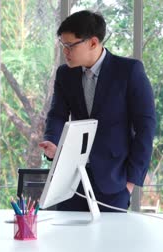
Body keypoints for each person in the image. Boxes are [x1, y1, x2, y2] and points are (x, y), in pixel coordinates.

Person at [39, 10, 156, 211]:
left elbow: (146, 126)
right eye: (62, 45)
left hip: (114, 183)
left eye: (70, 46)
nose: (65, 52)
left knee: (110, 242)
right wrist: (53, 143)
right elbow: (57, 114)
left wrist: (130, 183)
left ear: (93, 43)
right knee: (68, 242)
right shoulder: (65, 74)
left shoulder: (129, 71)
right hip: (71, 183)